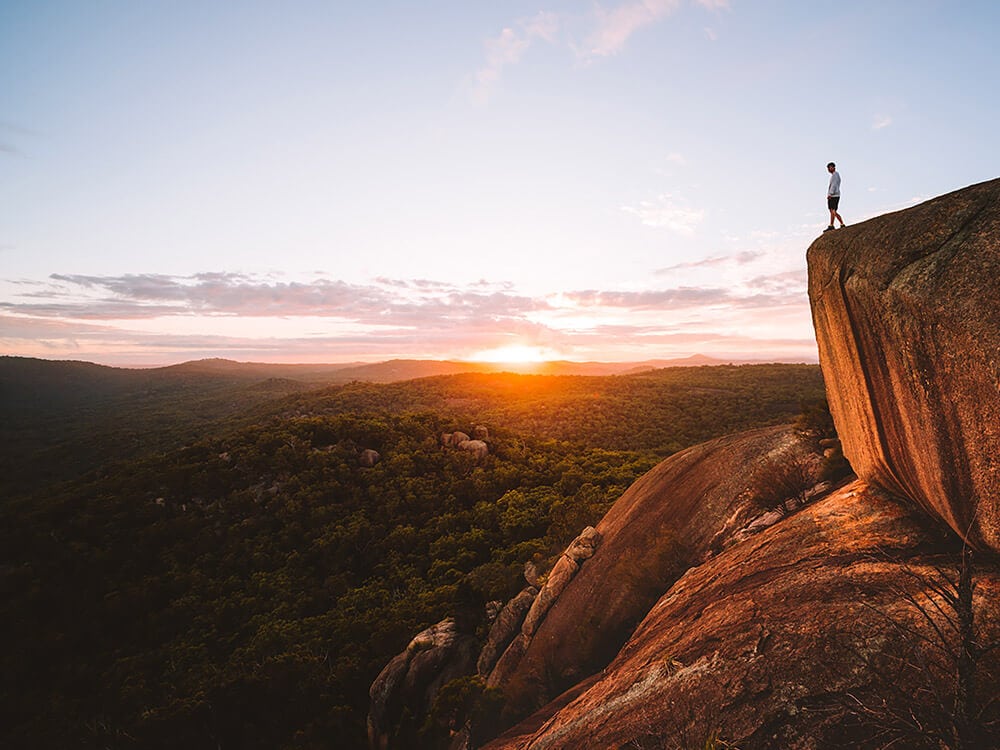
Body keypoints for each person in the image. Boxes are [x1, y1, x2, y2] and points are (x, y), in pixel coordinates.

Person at [825, 162, 845, 232]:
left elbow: (834, 185)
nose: (828, 169)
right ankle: (837, 224)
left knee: (832, 209)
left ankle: (834, 224)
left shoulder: (835, 175)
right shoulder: (834, 175)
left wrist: (830, 193)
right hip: (834, 194)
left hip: (834, 195)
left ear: (833, 167)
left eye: (829, 167)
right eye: (828, 168)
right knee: (832, 210)